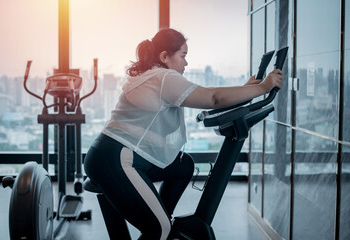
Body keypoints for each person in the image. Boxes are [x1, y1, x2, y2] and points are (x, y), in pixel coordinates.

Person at [84, 28, 283, 240]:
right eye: (183, 55)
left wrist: (245, 90)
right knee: (158, 228)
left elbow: (210, 97)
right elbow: (212, 98)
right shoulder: (163, 77)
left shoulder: (153, 76)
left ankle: (161, 222)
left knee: (183, 166)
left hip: (111, 154)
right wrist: (263, 88)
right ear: (164, 57)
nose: (186, 63)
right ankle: (160, 229)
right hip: (115, 159)